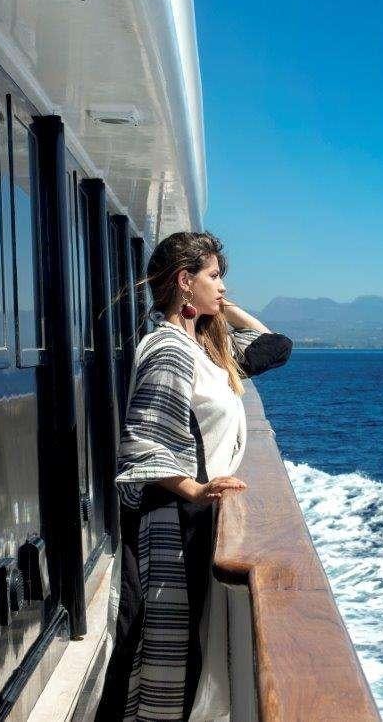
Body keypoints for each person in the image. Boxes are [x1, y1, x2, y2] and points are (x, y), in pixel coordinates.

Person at [96, 231, 293, 722]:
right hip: (174, 525)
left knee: (181, 653)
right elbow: (142, 441)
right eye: (215, 276)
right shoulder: (170, 351)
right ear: (185, 282)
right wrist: (198, 489)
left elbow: (276, 346)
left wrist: (218, 307)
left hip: (196, 520)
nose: (224, 286)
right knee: (165, 652)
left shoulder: (204, 350)